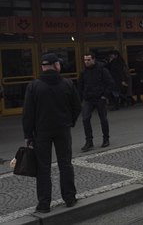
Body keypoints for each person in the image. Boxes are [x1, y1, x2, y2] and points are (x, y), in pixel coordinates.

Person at [22, 53, 81, 213]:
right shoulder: (67, 83)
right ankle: (69, 198)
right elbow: (77, 106)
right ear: (56, 66)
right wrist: (70, 121)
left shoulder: (34, 86)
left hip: (41, 132)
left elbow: (28, 113)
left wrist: (28, 135)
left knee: (43, 167)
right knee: (65, 164)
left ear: (43, 67)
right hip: (62, 129)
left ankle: (44, 204)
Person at [78, 52, 114, 152]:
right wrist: (80, 99)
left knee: (103, 119)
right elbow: (80, 86)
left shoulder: (102, 69)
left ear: (93, 59)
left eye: (88, 60)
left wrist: (104, 96)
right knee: (85, 119)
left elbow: (110, 83)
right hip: (88, 98)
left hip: (99, 98)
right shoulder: (83, 71)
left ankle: (106, 138)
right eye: (85, 60)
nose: (86, 62)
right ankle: (89, 142)